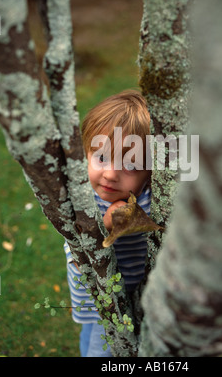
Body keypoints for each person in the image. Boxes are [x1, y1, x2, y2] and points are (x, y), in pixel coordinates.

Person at [64, 89, 152, 357]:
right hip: (95, 300)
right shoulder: (79, 196)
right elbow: (82, 245)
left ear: (151, 170)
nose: (111, 174)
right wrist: (105, 222)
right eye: (101, 157)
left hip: (125, 302)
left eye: (130, 165)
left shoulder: (149, 200)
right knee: (92, 342)